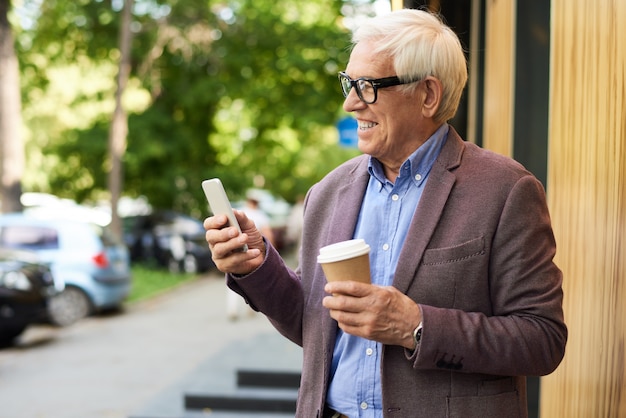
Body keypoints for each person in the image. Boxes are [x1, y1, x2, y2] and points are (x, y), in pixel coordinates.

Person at [204, 9, 567, 418]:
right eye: (348, 83)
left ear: (428, 95)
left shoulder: (506, 190)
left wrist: (415, 326)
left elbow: (543, 340)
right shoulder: (327, 193)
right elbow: (315, 328)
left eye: (367, 87)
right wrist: (256, 266)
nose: (349, 103)